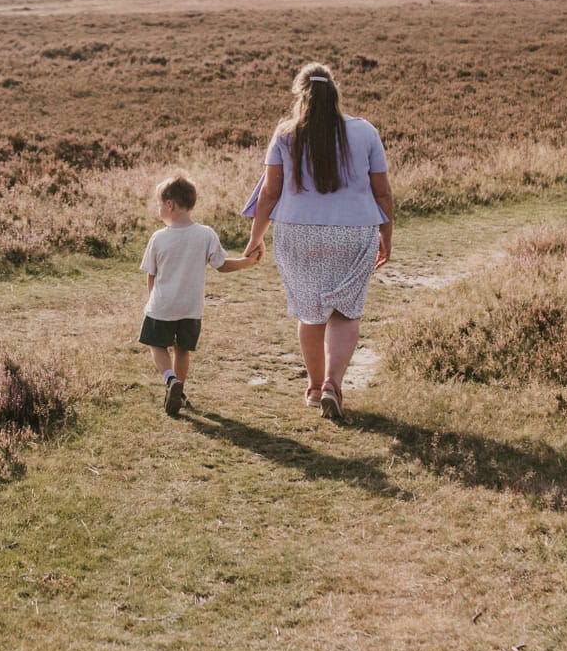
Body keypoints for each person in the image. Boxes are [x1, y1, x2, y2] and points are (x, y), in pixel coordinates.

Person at [242, 63, 394, 421]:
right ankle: (333, 385)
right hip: (354, 230)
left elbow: (269, 192)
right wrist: (386, 235)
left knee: (310, 312)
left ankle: (313, 387)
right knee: (345, 310)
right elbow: (383, 192)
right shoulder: (366, 132)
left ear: (300, 95)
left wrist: (256, 237)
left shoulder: (285, 134)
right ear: (335, 94)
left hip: (298, 233)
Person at [139, 173, 259, 416]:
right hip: (191, 308)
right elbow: (222, 265)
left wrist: (153, 299)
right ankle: (180, 393)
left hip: (163, 305)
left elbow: (151, 274)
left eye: (160, 204)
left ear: (170, 204)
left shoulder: (158, 238)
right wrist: (247, 262)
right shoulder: (205, 234)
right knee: (182, 349)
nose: (159, 209)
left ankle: (171, 380)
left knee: (156, 344)